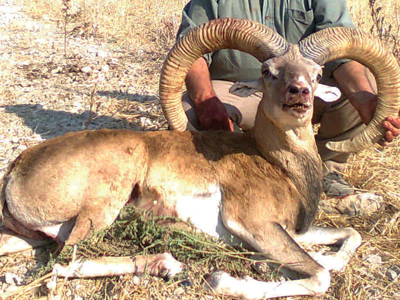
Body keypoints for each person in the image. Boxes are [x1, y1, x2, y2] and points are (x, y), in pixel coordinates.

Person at [176, 0, 400, 200]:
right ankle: (234, 173)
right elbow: (190, 48)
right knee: (192, 109)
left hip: (304, 88)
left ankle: (324, 170)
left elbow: (344, 49)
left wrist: (366, 102)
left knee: (360, 90)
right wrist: (205, 98)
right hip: (241, 89)